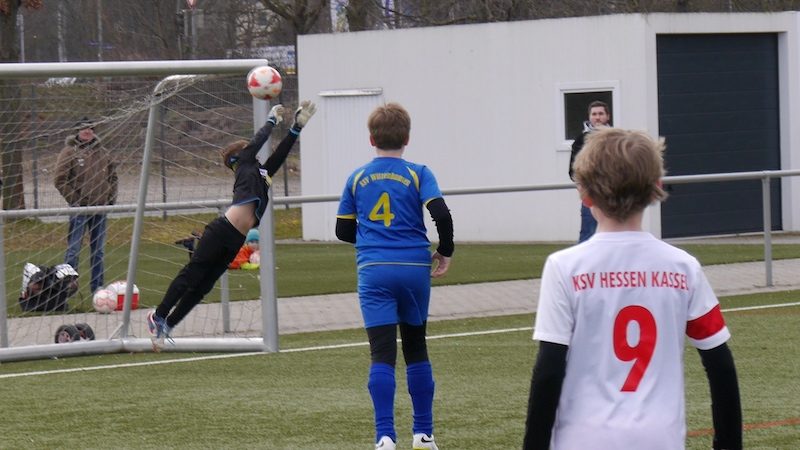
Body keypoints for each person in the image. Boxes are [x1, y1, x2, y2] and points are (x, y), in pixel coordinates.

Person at [523, 127, 742, 450]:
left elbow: (549, 370)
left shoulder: (565, 267)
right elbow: (720, 365)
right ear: (656, 188)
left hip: (583, 439)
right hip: (660, 439)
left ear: (584, 193)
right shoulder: (683, 268)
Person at [147, 101, 316, 351]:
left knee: (203, 287)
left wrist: (297, 127)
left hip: (236, 239)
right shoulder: (244, 165)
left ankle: (169, 325)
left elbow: (280, 154)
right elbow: (257, 142)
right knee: (193, 274)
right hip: (221, 230)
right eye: (251, 151)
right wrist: (270, 121)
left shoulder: (261, 174)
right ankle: (158, 316)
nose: (256, 154)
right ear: (240, 157)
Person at [335, 102, 454, 450]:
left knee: (382, 353)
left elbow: (343, 231)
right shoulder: (419, 173)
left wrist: (374, 240)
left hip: (374, 270)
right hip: (414, 268)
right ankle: (423, 434)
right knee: (416, 347)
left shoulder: (357, 177)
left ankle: (385, 436)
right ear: (407, 138)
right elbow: (441, 215)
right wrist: (445, 250)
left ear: (371, 139)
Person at [54, 116, 118, 294]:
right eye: (84, 129)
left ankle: (97, 287)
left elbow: (113, 177)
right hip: (80, 209)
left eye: (90, 128)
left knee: (98, 251)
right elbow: (59, 180)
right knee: (74, 249)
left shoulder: (103, 152)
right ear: (77, 132)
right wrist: (75, 200)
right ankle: (68, 286)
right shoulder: (69, 152)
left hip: (100, 208)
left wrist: (109, 198)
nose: (87, 131)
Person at [568, 100, 611, 243]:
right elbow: (573, 171)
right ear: (589, 117)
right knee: (587, 235)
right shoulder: (580, 141)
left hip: (613, 194)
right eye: (594, 114)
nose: (597, 117)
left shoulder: (616, 139)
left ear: (607, 117)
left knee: (615, 234)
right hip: (590, 195)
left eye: (601, 114)